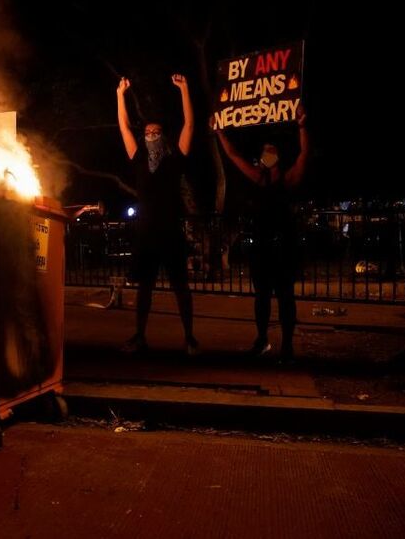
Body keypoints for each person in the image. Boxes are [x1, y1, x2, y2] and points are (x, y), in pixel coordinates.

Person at [212, 106, 308, 362]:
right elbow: (232, 156)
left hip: (283, 246)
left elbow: (304, 155)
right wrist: (219, 131)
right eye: (265, 151)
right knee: (262, 297)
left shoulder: (287, 180)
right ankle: (262, 339)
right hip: (263, 247)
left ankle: (287, 344)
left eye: (272, 150)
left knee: (286, 297)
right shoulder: (257, 178)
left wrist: (301, 126)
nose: (268, 154)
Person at [116, 74, 198, 355]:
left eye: (156, 133)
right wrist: (120, 96)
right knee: (145, 289)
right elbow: (125, 128)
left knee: (181, 288)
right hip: (146, 233)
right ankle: (139, 336)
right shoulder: (138, 157)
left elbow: (189, 125)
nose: (151, 135)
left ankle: (190, 338)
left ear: (163, 136)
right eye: (147, 133)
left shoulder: (175, 158)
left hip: (171, 232)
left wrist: (184, 90)